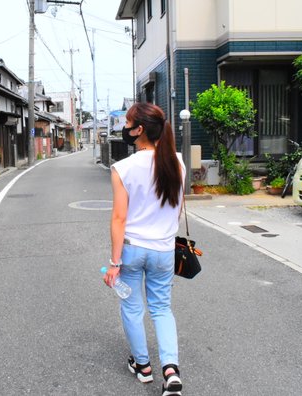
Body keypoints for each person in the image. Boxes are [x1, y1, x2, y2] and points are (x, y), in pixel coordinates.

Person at [103, 102, 185, 396]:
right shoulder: (177, 163)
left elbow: (119, 218)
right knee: (162, 308)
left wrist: (114, 262)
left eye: (127, 123)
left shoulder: (123, 168)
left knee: (132, 307)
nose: (124, 128)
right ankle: (171, 370)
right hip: (164, 250)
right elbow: (176, 210)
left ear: (139, 130)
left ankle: (143, 366)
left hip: (133, 250)